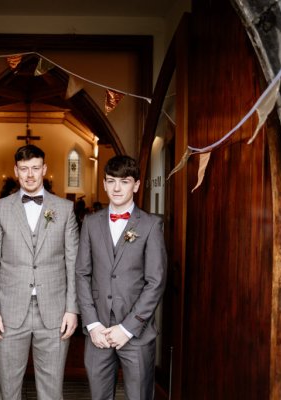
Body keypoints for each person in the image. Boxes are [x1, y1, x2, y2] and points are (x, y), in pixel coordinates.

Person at [0, 144, 79, 399]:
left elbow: (73, 262)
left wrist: (72, 308)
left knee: (52, 391)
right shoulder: (0, 209)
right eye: (24, 169)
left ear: (44, 169)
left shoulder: (65, 209)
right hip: (8, 311)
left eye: (35, 168)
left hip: (55, 312)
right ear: (16, 171)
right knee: (9, 390)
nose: (30, 174)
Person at [75, 155, 167, 400]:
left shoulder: (150, 225)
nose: (117, 188)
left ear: (136, 185)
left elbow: (155, 282)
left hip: (136, 331)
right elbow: (82, 274)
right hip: (98, 332)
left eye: (124, 182)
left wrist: (127, 328)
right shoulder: (90, 223)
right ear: (104, 184)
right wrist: (92, 324)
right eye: (111, 181)